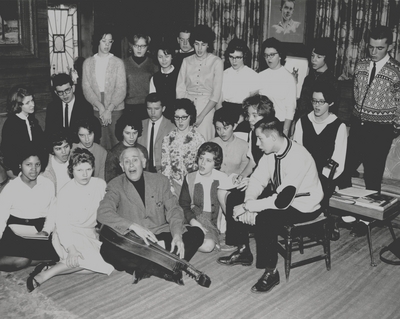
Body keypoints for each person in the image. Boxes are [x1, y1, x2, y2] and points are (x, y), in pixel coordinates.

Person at [217, 117, 324, 293]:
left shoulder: (299, 156)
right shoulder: (271, 153)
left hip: (304, 205)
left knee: (266, 218)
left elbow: (282, 202)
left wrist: (249, 208)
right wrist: (248, 201)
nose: (257, 144)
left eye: (260, 139)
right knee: (235, 196)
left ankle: (271, 271)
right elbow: (258, 180)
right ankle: (243, 250)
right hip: (283, 198)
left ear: (273, 137)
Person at [98, 147, 204, 285]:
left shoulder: (160, 180)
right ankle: (166, 268)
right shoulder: (115, 185)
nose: (131, 165)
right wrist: (133, 226)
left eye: (135, 160)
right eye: (126, 161)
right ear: (122, 166)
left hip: (160, 234)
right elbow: (103, 212)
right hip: (134, 241)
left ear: (143, 162)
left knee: (197, 233)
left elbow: (174, 209)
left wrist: (177, 235)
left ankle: (146, 267)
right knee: (106, 250)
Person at [26, 148, 113, 292]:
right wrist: (71, 249)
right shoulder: (65, 192)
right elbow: (62, 225)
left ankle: (54, 267)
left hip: (89, 234)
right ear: (72, 170)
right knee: (81, 259)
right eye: (79, 170)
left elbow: (107, 210)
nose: (85, 175)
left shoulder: (100, 184)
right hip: (68, 234)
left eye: (88, 169)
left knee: (108, 264)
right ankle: (45, 275)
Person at [339, 25, 400, 192]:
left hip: (381, 131)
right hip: (359, 126)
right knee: (343, 170)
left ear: (390, 47)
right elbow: (356, 93)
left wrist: (394, 129)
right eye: (371, 47)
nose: (374, 52)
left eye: (379, 48)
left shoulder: (396, 71)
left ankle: (370, 217)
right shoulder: (361, 65)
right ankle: (348, 212)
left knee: (372, 177)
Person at [0, 146, 58, 272]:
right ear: (20, 165)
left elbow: (52, 212)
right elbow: (1, 217)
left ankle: (33, 259)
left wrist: (46, 231)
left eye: (37, 164)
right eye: (28, 164)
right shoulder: (11, 188)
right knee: (21, 261)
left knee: (57, 257)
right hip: (15, 230)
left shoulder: (47, 184)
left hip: (38, 231)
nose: (34, 169)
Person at [293, 81, 347, 199]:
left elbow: (338, 161)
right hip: (303, 176)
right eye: (314, 100)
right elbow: (297, 154)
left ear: (331, 102)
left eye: (321, 102)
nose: (317, 105)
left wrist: (320, 179)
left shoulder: (338, 126)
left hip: (326, 179)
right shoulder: (302, 122)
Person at [176, 24, 223, 141]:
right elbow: (180, 89)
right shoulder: (186, 61)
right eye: (196, 44)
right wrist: (184, 113)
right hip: (187, 108)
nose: (199, 48)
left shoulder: (216, 62)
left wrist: (201, 116)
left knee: (204, 143)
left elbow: (216, 94)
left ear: (208, 45)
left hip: (207, 110)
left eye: (203, 44)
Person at [179, 142, 228, 253]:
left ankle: (183, 241)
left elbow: (226, 206)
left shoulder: (223, 178)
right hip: (193, 217)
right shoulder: (190, 178)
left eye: (208, 160)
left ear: (216, 164)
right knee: (205, 244)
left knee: (208, 246)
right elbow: (183, 205)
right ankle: (182, 239)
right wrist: (193, 221)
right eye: (201, 158)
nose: (202, 163)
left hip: (211, 221)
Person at [82, 28, 126, 150]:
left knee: (117, 142)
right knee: (99, 143)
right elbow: (87, 88)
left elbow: (121, 88)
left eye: (110, 41)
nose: (107, 44)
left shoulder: (118, 63)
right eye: (103, 41)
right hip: (96, 106)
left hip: (115, 107)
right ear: (97, 41)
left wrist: (109, 109)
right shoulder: (88, 63)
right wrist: (100, 107)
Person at [161, 99, 205, 196]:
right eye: (177, 117)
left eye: (184, 117)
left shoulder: (199, 139)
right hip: (174, 186)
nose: (180, 121)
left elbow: (201, 166)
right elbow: (166, 167)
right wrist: (169, 189)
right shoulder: (168, 138)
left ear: (191, 116)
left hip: (193, 185)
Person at [1, 86, 45, 179]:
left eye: (32, 100)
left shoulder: (32, 120)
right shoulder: (10, 125)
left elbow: (41, 145)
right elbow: (8, 154)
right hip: (18, 172)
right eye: (27, 103)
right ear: (18, 105)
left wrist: (40, 167)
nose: (32, 104)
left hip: (35, 168)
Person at [258, 37, 296, 137]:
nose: (268, 58)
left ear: (280, 55)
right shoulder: (260, 76)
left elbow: (290, 109)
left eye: (272, 55)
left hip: (280, 124)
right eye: (266, 55)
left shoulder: (288, 78)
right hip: (262, 123)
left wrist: (285, 131)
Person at [296, 38, 338, 120]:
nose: (313, 60)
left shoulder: (332, 82)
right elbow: (302, 105)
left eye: (319, 57)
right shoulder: (308, 79)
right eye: (312, 56)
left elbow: (333, 110)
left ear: (327, 58)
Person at [221, 38, 259, 122]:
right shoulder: (223, 74)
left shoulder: (253, 75)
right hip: (225, 112)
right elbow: (219, 100)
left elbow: (252, 103)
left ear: (244, 56)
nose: (234, 61)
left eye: (238, 57)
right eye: (231, 57)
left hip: (244, 113)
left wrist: (242, 118)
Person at [45, 73, 93, 138]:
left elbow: (87, 134)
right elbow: (49, 132)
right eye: (60, 92)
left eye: (67, 90)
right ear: (56, 92)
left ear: (73, 88)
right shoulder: (52, 108)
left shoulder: (85, 107)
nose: (64, 95)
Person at [124, 32, 159, 120]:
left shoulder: (153, 64)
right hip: (129, 106)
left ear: (147, 47)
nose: (139, 49)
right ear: (131, 46)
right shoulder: (123, 64)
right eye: (136, 46)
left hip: (148, 107)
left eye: (143, 46)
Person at [137, 93, 175, 173]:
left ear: (163, 108)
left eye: (156, 109)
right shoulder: (140, 125)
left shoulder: (171, 127)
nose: (153, 112)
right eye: (149, 109)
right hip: (143, 170)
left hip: (163, 171)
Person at [105, 114, 148, 183]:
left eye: (134, 133)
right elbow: (110, 180)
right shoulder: (114, 153)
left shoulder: (142, 150)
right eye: (127, 133)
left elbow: (147, 175)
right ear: (121, 132)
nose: (131, 137)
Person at [149, 42, 179, 120]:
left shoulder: (179, 75)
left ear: (172, 57)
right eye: (160, 57)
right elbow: (153, 100)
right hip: (161, 117)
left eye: (167, 56)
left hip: (177, 115)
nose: (164, 60)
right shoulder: (155, 78)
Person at [42, 128, 72, 194]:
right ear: (52, 150)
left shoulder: (75, 161)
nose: (64, 152)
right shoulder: (45, 166)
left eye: (66, 146)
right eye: (58, 149)